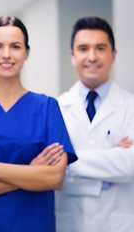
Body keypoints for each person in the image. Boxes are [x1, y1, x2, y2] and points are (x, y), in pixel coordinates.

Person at [0, 16, 78, 232]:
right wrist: (30, 173)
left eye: (15, 46)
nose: (6, 54)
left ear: (26, 52)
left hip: (35, 225)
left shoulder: (47, 107)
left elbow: (55, 177)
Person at [55, 16, 134, 232]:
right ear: (72, 56)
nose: (92, 56)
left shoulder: (130, 106)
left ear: (113, 54)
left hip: (118, 223)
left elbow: (129, 164)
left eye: (100, 48)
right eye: (83, 48)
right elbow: (51, 170)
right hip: (70, 223)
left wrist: (69, 159)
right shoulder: (57, 108)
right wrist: (110, 158)